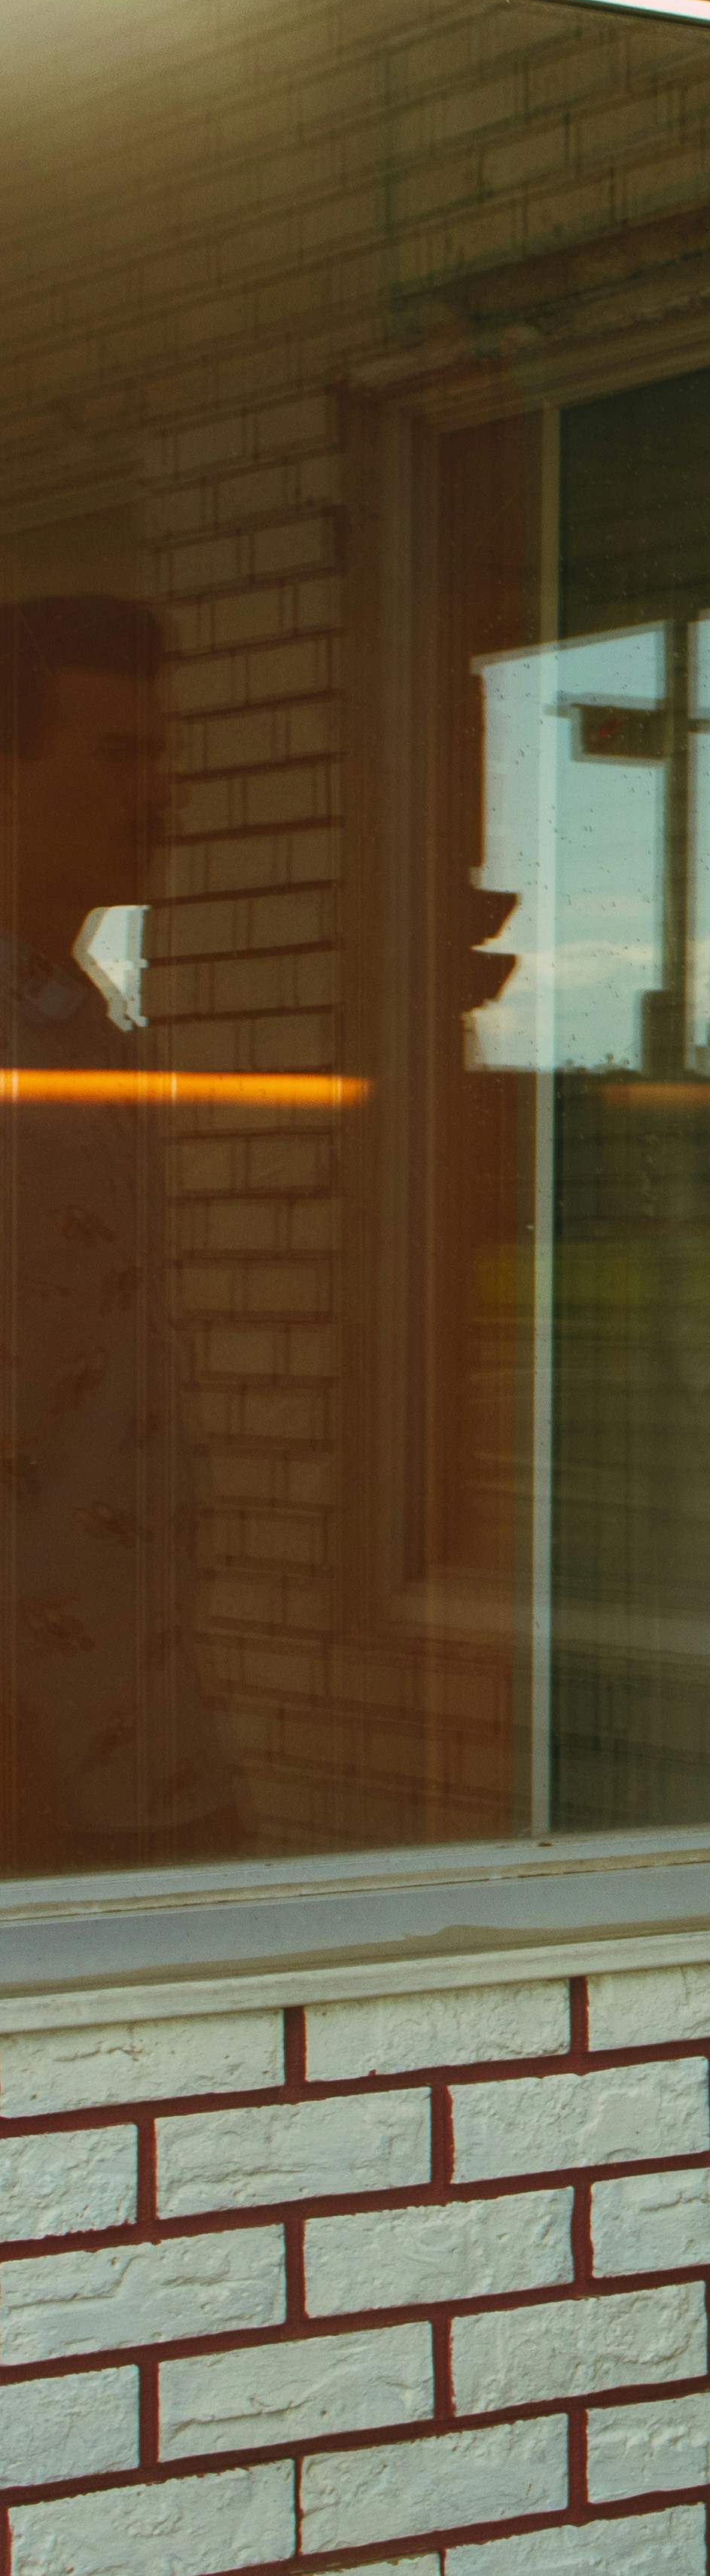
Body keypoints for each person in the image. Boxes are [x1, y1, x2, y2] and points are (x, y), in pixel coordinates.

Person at [0, 592, 228, 1873]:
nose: (158, 795)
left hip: (144, 1742)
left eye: (162, 755)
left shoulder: (82, 1022)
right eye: (113, 755)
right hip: (30, 1773)